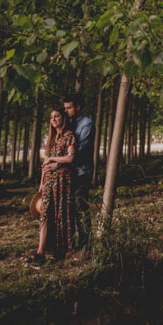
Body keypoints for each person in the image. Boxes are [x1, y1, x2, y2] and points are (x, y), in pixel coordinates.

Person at [33, 108, 75, 262]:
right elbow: (45, 165)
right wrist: (41, 184)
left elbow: (70, 158)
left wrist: (53, 159)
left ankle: (60, 250)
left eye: (57, 116)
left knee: (60, 214)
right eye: (51, 117)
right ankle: (40, 251)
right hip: (48, 181)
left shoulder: (69, 135)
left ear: (63, 118)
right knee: (44, 213)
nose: (54, 119)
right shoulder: (51, 138)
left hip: (62, 180)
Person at [62, 94, 94, 250]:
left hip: (82, 172)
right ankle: (73, 244)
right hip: (69, 173)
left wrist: (62, 160)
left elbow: (80, 150)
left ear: (78, 107)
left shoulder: (87, 124)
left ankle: (86, 245)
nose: (66, 111)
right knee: (70, 209)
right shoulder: (67, 123)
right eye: (65, 108)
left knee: (81, 206)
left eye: (69, 108)